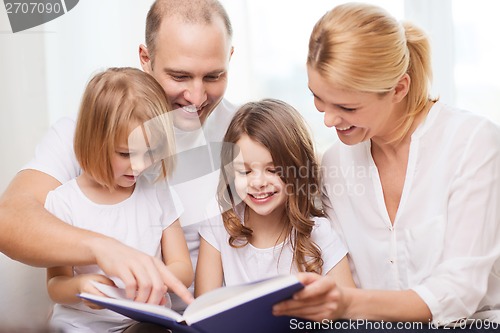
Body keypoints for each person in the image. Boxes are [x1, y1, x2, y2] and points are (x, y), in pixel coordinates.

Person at [273, 2, 500, 328]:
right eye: (318, 99)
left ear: (399, 89)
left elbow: (459, 292)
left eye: (347, 107)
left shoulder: (474, 144)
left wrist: (348, 302)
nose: (328, 119)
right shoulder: (336, 164)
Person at [0, 0, 235, 308]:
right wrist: (104, 249)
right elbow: (9, 220)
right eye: (179, 76)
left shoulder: (246, 136)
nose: (196, 96)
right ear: (146, 58)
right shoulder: (89, 132)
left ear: (230, 58)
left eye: (213, 76)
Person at [44, 67, 193, 332]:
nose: (139, 165)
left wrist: (155, 278)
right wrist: (81, 288)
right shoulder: (64, 202)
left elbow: (182, 267)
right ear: (93, 141)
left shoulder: (158, 192)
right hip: (83, 325)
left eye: (151, 152)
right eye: (125, 153)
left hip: (144, 324)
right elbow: (56, 285)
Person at [195, 99, 355, 295]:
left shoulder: (320, 233)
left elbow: (351, 313)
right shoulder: (218, 220)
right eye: (244, 172)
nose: (258, 182)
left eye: (273, 170)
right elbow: (202, 309)